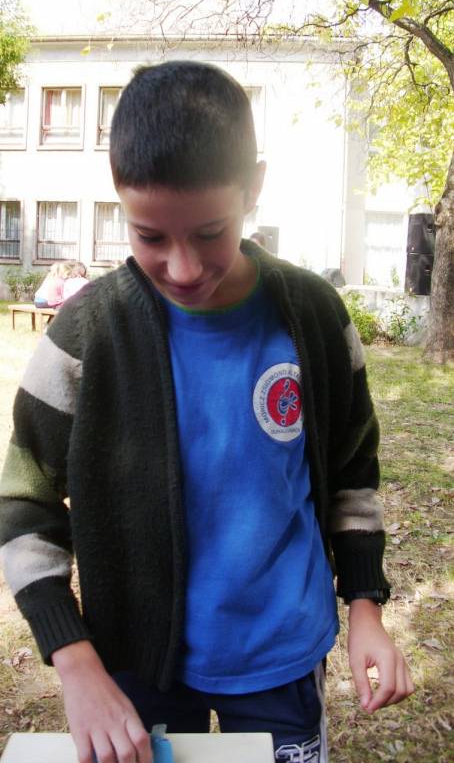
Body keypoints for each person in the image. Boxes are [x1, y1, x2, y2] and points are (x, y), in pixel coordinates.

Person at [0, 61, 413, 763]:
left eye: (210, 231)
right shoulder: (85, 337)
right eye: (150, 237)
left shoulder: (315, 317)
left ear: (254, 187)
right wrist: (75, 662)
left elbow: (352, 472)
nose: (184, 268)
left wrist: (366, 605)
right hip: (137, 667)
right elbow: (22, 504)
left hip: (284, 655)